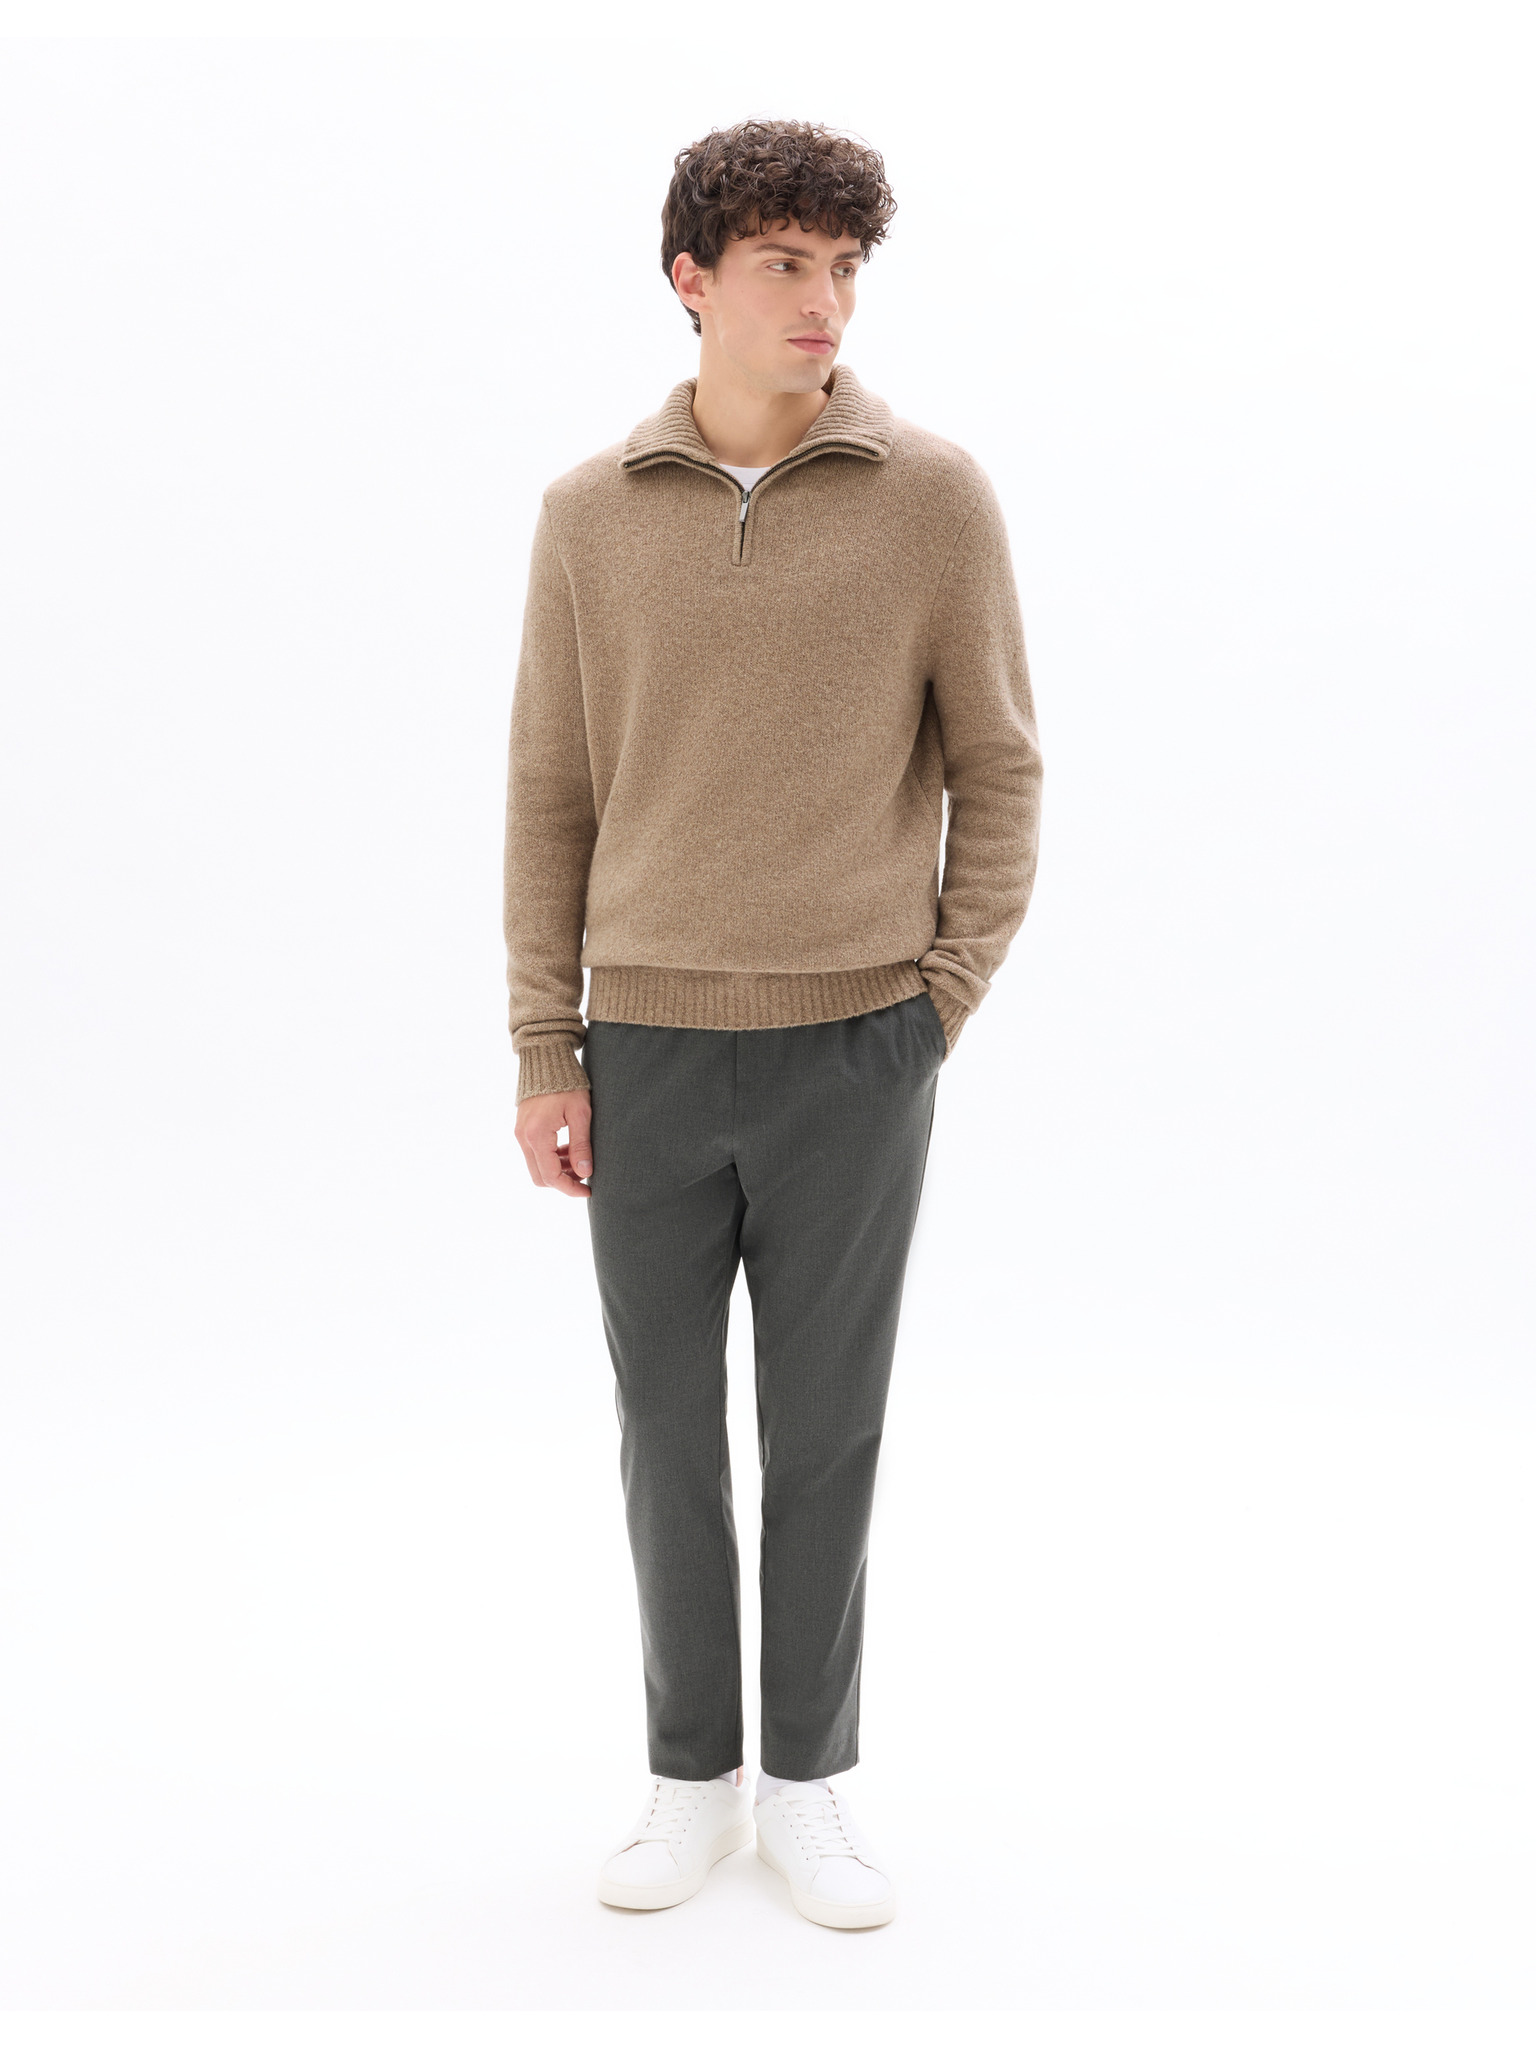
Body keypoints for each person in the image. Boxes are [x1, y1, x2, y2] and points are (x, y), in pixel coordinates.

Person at [503, 117, 1043, 1930]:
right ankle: (690, 1780)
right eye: (787, 265)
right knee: (667, 1433)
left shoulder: (933, 497)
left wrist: (936, 1003)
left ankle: (807, 1782)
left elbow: (1001, 769)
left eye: (846, 267)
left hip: (856, 1050)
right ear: (693, 280)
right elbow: (551, 794)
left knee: (826, 1433)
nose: (826, 301)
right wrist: (545, 1046)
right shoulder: (589, 516)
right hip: (645, 1049)